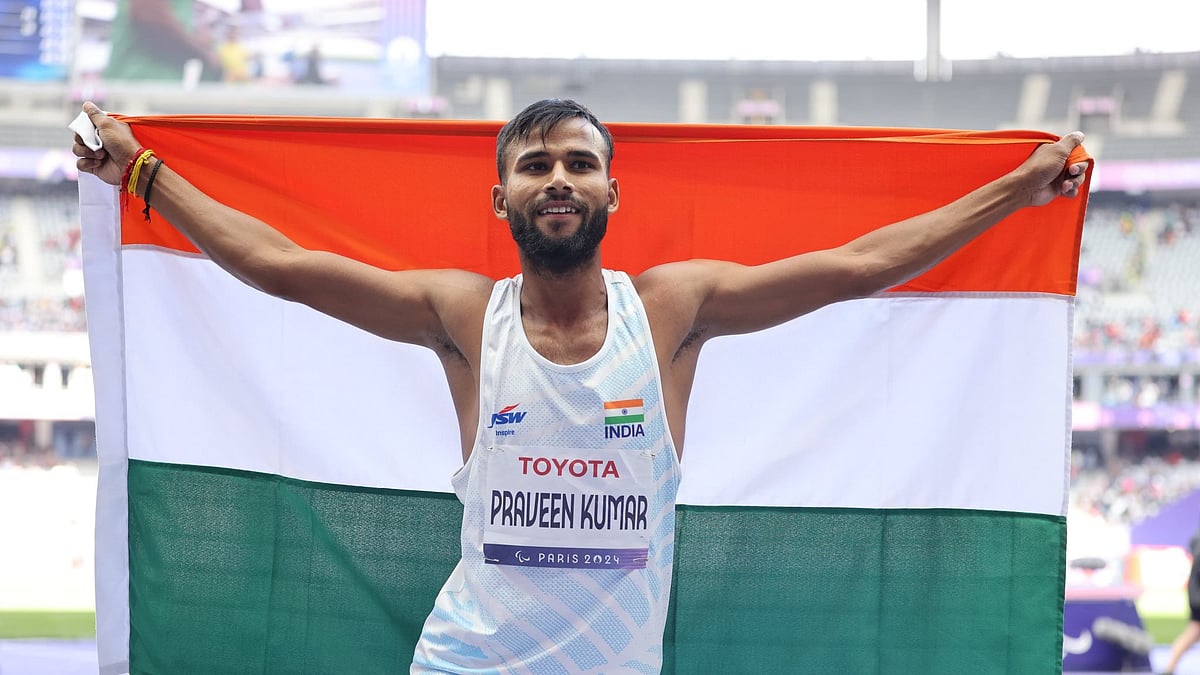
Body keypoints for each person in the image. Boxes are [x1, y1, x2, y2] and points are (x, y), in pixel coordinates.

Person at [72, 98, 1088, 672]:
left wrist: (1016, 189)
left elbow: (863, 264)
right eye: (534, 165)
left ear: (612, 189)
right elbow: (279, 267)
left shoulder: (674, 312)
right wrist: (145, 175)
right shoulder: (467, 317)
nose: (556, 179)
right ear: (501, 194)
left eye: (578, 163)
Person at [1162, 523, 1200, 674]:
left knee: (1194, 631)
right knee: (1194, 630)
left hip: (1195, 591)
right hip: (1198, 592)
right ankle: (1169, 668)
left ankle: (1170, 668)